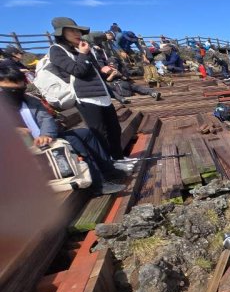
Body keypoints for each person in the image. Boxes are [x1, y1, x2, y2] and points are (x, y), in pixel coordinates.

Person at [0, 64, 126, 194]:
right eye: (11, 90)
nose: (17, 92)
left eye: (20, 87)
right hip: (20, 149)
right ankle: (97, 184)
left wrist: (46, 134)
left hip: (45, 140)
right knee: (73, 140)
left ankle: (108, 171)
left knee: (85, 133)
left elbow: (45, 119)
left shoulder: (29, 100)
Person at [47, 17, 132, 165]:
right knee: (99, 133)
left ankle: (119, 158)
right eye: (71, 31)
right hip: (86, 98)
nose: (76, 33)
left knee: (114, 129)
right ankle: (109, 164)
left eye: (77, 30)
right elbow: (77, 71)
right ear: (61, 33)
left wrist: (104, 70)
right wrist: (83, 54)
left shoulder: (83, 48)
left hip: (102, 94)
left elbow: (92, 72)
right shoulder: (56, 50)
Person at [85, 33, 160, 102]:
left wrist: (119, 74)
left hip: (122, 84)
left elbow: (126, 77)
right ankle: (122, 99)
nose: (113, 65)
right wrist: (112, 75)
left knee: (136, 87)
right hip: (114, 85)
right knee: (108, 88)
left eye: (114, 64)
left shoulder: (119, 67)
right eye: (111, 64)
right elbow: (106, 79)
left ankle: (152, 92)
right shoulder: (104, 65)